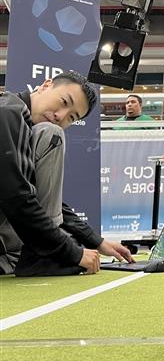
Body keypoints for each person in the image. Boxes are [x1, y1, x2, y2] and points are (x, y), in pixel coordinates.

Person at [0, 71, 133, 276]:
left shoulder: (26, 125)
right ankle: (38, 257)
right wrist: (70, 252)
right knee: (52, 134)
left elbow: (30, 193)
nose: (60, 116)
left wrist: (96, 241)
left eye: (72, 117)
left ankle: (33, 255)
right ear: (46, 85)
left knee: (48, 133)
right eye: (63, 101)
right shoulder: (8, 110)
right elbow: (16, 196)